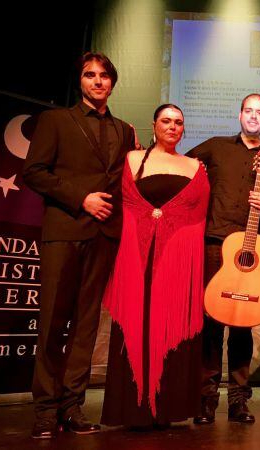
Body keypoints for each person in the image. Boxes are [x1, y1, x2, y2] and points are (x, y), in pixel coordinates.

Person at [22, 52, 135, 439]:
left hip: (104, 237)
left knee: (85, 328)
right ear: (80, 82)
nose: (98, 81)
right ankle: (44, 410)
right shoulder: (56, 120)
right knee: (53, 322)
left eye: (104, 76)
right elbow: (33, 172)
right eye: (90, 75)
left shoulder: (124, 129)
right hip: (65, 231)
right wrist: (80, 197)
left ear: (112, 82)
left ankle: (72, 407)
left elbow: (125, 184)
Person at [100, 104, 209, 429]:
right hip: (137, 257)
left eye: (178, 122)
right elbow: (126, 202)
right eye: (166, 121)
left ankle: (167, 408)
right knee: (136, 325)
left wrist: (172, 235)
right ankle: (131, 409)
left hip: (177, 262)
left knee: (171, 325)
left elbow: (198, 215)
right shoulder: (133, 159)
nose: (173, 127)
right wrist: (150, 223)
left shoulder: (195, 166)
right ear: (154, 124)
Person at [188, 93, 260, 424]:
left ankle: (238, 400)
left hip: (248, 251)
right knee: (210, 325)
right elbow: (182, 168)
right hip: (215, 245)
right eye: (249, 111)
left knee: (242, 326)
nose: (253, 116)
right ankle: (205, 399)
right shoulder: (215, 147)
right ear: (240, 114)